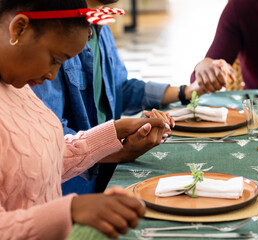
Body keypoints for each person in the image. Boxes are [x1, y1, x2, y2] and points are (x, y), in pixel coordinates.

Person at [0, 0, 172, 239]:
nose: (52, 75)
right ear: (19, 28)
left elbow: (36, 161)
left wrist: (113, 131)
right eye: (54, 59)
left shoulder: (16, 83)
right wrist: (70, 211)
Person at [31, 0, 236, 195]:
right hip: (73, 189)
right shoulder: (49, 36)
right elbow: (51, 139)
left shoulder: (101, 28)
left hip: (107, 170)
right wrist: (120, 150)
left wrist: (187, 91)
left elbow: (120, 89)